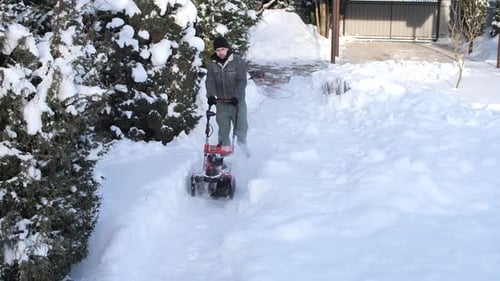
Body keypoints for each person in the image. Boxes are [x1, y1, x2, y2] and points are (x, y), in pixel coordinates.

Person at [205, 36, 249, 154]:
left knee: (241, 129)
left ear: (227, 49)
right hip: (221, 103)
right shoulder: (212, 64)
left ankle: (243, 153)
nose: (220, 53)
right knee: (223, 131)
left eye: (222, 49)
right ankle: (224, 156)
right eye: (218, 50)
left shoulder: (237, 61)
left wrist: (236, 96)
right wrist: (210, 96)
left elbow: (242, 81)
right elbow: (210, 81)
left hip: (237, 102)